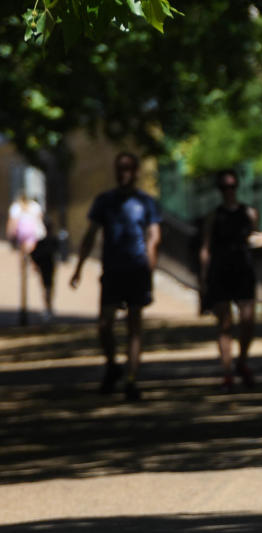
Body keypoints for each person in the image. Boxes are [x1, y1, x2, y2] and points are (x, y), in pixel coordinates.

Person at [70, 151, 162, 401]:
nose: (124, 173)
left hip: (136, 269)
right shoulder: (104, 201)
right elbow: (91, 235)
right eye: (120, 168)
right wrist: (78, 267)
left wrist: (149, 271)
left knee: (134, 326)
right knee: (104, 324)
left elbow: (154, 237)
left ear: (136, 172)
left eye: (128, 168)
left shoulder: (146, 202)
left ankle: (131, 379)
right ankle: (112, 365)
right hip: (112, 270)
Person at [200, 168, 260, 391]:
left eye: (232, 186)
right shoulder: (213, 217)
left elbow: (255, 239)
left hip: (244, 272)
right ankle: (227, 372)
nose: (229, 191)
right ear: (219, 190)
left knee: (247, 321)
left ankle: (242, 362)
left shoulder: (250, 213)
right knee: (224, 324)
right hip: (220, 272)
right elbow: (205, 248)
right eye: (224, 187)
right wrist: (204, 277)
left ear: (237, 187)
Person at [6, 191, 50, 321]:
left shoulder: (16, 207)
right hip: (34, 235)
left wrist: (10, 236)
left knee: (24, 253)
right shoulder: (35, 206)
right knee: (33, 253)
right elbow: (40, 219)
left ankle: (28, 263)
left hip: (23, 236)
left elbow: (12, 223)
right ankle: (33, 263)